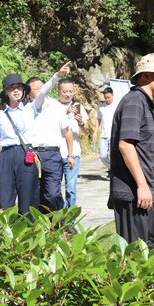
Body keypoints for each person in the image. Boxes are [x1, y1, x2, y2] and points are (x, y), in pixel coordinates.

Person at [108, 53, 154, 251]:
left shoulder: (144, 101)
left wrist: (153, 147)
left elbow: (134, 141)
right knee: (136, 256)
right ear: (146, 76)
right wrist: (142, 185)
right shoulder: (135, 101)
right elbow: (125, 145)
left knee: (148, 250)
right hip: (133, 193)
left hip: (139, 193)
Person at [25, 62, 74, 213]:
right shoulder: (29, 108)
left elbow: (67, 131)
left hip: (52, 156)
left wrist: (70, 155)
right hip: (34, 155)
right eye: (36, 88)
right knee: (35, 196)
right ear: (28, 93)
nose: (41, 90)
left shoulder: (56, 106)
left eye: (42, 86)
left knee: (52, 194)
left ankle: (56, 225)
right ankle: (38, 230)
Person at [0, 74, 39, 217]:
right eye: (12, 88)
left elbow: (43, 92)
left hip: (26, 155)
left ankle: (29, 236)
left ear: (24, 90)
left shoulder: (31, 109)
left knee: (27, 203)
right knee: (5, 204)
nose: (16, 90)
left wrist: (56, 77)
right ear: (6, 92)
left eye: (19, 87)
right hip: (6, 156)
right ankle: (7, 237)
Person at [57, 78, 88, 209]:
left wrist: (81, 122)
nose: (68, 94)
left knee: (70, 188)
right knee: (54, 190)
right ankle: (57, 220)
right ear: (58, 91)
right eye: (65, 91)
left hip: (73, 154)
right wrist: (66, 112)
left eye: (70, 91)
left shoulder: (78, 107)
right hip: (55, 153)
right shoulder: (53, 106)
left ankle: (69, 221)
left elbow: (86, 131)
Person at [94, 88, 117, 171]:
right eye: (105, 97)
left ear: (113, 96)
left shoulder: (117, 106)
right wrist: (95, 132)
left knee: (113, 155)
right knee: (102, 155)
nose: (107, 99)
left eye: (109, 97)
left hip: (114, 135)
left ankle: (114, 171)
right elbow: (98, 119)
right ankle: (111, 168)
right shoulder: (101, 107)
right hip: (103, 135)